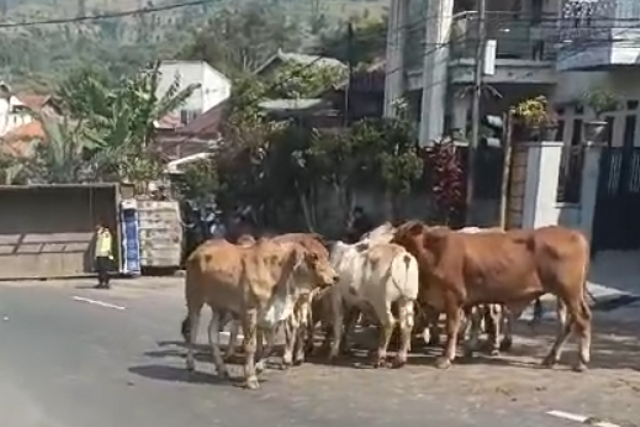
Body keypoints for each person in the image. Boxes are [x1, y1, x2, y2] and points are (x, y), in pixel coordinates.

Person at [94, 220, 114, 289]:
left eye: (97, 225)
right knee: (100, 270)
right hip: (99, 254)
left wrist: (108, 252)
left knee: (104, 270)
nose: (96, 226)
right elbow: (98, 245)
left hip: (104, 254)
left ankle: (105, 283)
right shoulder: (99, 233)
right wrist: (96, 255)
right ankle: (101, 282)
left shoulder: (105, 233)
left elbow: (106, 243)